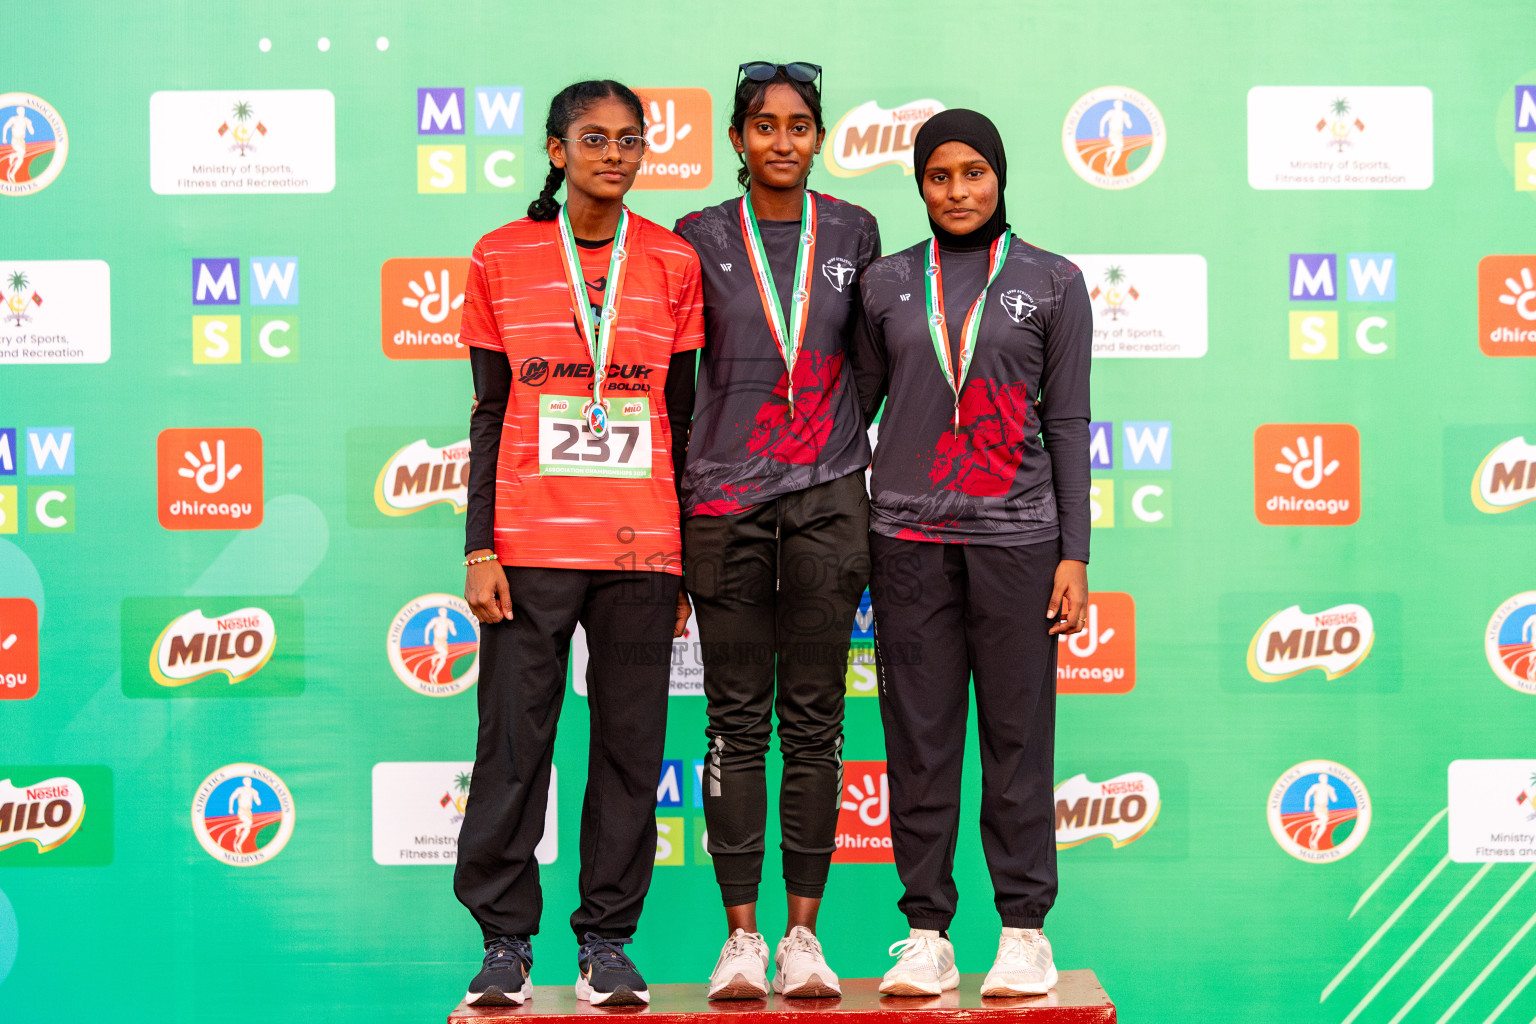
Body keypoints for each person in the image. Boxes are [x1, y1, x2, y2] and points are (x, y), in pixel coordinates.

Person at [453, 79, 705, 1009]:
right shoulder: (502, 255)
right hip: (527, 545)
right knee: (514, 745)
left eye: (629, 140)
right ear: (556, 150)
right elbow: (488, 413)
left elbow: (680, 419)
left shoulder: (675, 263)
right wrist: (480, 548)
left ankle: (606, 943)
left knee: (633, 748)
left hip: (641, 551)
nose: (613, 153)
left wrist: (678, 554)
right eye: (592, 138)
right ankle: (504, 945)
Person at [851, 109, 1092, 999]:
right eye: (938, 177)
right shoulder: (883, 284)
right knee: (918, 740)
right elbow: (854, 413)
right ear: (919, 185)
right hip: (906, 540)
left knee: (1018, 740)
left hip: (1021, 542)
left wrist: (1077, 552)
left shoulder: (1053, 281)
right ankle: (927, 935)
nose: (957, 192)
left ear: (1000, 176)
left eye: (973, 174)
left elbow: (1067, 421)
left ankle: (1025, 932)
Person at [672, 61, 879, 1000]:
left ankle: (803, 939)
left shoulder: (854, 230)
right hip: (724, 501)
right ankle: (741, 942)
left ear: (819, 136)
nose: (783, 141)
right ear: (737, 140)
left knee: (816, 720)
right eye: (764, 126)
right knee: (735, 720)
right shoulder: (697, 236)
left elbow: (870, 364)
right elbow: (682, 382)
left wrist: (821, 439)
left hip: (831, 496)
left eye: (800, 125)